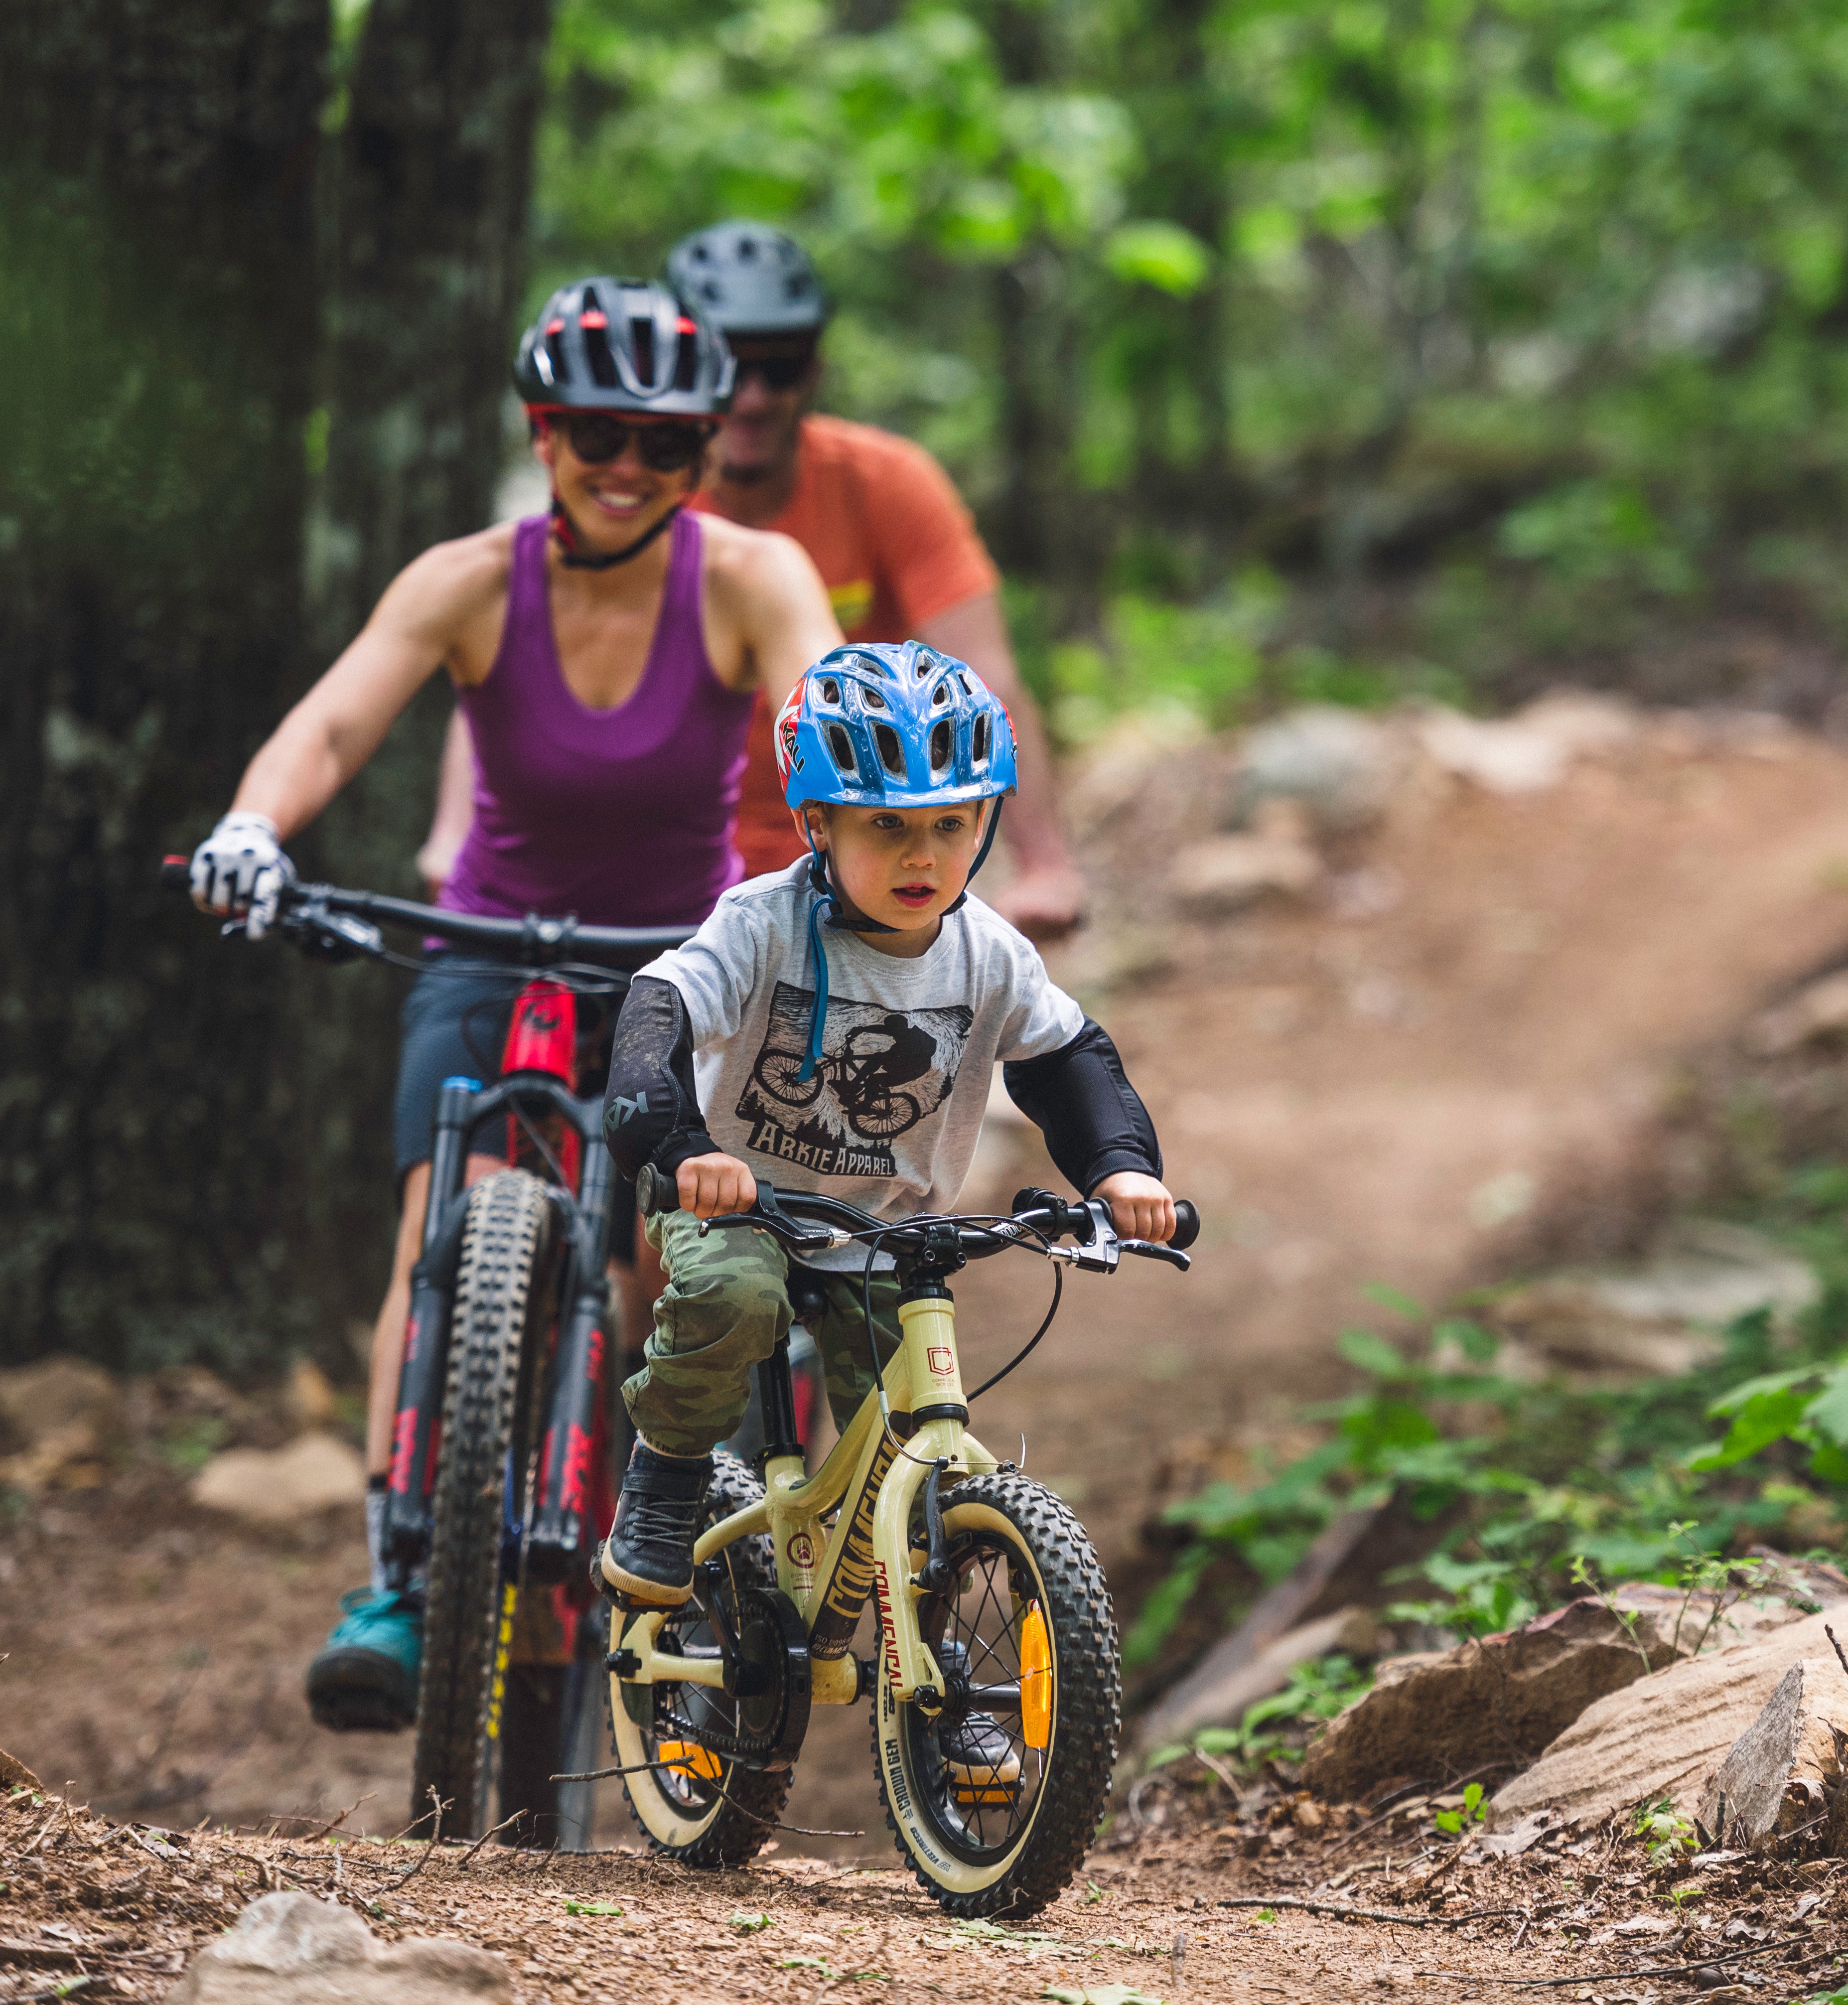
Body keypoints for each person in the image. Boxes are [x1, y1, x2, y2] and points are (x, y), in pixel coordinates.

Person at [183, 276, 847, 1733]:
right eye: (596, 433)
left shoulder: (747, 577)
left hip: (674, 959)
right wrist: (255, 828)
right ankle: (399, 1577)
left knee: (656, 1268)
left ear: (700, 457)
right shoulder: (467, 580)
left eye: (666, 446)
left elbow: (821, 708)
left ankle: (647, 1550)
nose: (628, 467)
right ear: (544, 432)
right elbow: (342, 715)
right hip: (488, 946)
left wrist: (849, 852)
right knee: (437, 1230)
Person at [597, 643, 1173, 1776]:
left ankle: (948, 1678)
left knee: (921, 1436)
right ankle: (667, 1475)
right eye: (885, 827)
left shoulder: (988, 953)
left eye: (953, 825)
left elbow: (1070, 1063)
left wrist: (1122, 1172)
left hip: (888, 1236)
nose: (924, 854)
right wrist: (679, 1144)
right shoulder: (762, 923)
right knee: (729, 1291)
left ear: (989, 822)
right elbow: (659, 1007)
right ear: (817, 822)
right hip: (744, 1206)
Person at [420, 221, 1089, 937]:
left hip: (837, 866)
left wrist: (1044, 861)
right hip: (653, 877)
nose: (753, 395)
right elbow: (513, 664)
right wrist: (455, 833)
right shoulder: (635, 503)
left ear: (816, 370)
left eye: (782, 365)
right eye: (730, 365)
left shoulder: (887, 485)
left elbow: (984, 678)